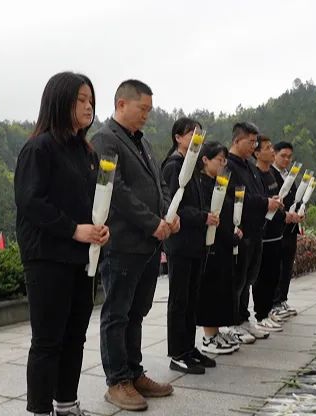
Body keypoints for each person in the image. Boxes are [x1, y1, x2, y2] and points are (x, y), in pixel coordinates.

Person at [14, 72, 110, 416]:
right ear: (59, 102)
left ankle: (67, 403)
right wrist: (73, 230)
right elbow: (30, 202)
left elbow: (90, 202)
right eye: (81, 100)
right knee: (47, 340)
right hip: (48, 257)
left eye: (91, 100)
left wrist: (99, 229)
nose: (89, 107)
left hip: (81, 258)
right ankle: (41, 410)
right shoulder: (39, 148)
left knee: (74, 336)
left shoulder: (86, 151)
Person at [91, 79, 178, 411]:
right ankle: (117, 381)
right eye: (143, 109)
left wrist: (167, 216)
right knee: (117, 313)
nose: (146, 116)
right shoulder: (105, 140)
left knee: (137, 312)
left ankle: (134, 372)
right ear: (121, 104)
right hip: (122, 243)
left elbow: (159, 184)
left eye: (149, 110)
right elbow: (115, 190)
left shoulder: (142, 142)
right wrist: (152, 222)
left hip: (148, 244)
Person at [161, 117, 218, 374]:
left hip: (195, 242)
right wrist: (203, 217)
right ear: (178, 137)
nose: (198, 138)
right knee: (179, 300)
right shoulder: (174, 166)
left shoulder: (191, 164)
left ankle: (188, 347)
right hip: (180, 242)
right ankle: (177, 353)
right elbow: (174, 206)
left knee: (192, 298)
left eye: (200, 134)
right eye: (192, 134)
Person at [226, 123, 282, 343]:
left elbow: (257, 192)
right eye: (250, 142)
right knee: (237, 279)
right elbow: (237, 197)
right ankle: (232, 321)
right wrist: (265, 202)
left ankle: (243, 318)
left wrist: (270, 201)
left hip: (256, 230)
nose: (254, 146)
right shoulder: (228, 165)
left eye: (255, 142)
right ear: (237, 140)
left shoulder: (248, 165)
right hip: (241, 230)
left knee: (248, 278)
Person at [196, 141, 242, 355]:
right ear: (205, 160)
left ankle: (216, 331)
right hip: (212, 245)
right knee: (210, 291)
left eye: (225, 161)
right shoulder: (201, 184)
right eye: (219, 160)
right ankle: (208, 336)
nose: (223, 164)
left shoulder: (219, 183)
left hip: (224, 243)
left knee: (222, 289)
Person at [251, 134, 285, 332]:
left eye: (272, 147)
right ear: (257, 153)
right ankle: (260, 315)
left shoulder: (271, 174)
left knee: (273, 275)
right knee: (262, 277)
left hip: (277, 233)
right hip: (263, 235)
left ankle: (269, 310)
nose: (272, 151)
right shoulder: (255, 175)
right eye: (268, 148)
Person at [270, 141, 303, 321]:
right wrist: (285, 216)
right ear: (274, 154)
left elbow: (295, 199)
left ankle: (282, 299)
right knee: (277, 266)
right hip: (278, 227)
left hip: (291, 228)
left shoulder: (289, 175)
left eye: (289, 157)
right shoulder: (270, 174)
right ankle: (274, 302)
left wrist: (300, 212)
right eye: (283, 156)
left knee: (287, 266)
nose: (286, 160)